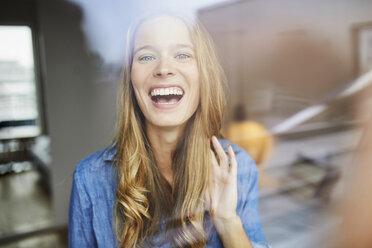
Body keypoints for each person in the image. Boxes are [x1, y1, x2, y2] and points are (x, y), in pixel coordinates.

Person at [69, 14, 269, 248]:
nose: (163, 68)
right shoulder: (89, 179)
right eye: (146, 56)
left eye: (182, 54)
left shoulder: (237, 167)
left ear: (203, 74)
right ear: (130, 79)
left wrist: (227, 221)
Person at [226, 104, 276, 188]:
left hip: (237, 172)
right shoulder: (256, 128)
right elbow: (267, 145)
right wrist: (260, 163)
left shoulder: (230, 130)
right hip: (253, 167)